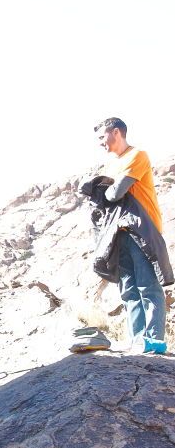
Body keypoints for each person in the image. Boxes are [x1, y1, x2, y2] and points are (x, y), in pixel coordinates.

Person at [95, 117, 171, 353]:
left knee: (148, 286)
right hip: (119, 233)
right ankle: (137, 341)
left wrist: (102, 190)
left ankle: (154, 342)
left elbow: (115, 193)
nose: (100, 143)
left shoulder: (137, 155)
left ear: (116, 132)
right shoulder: (111, 165)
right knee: (128, 290)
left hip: (141, 230)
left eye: (101, 136)